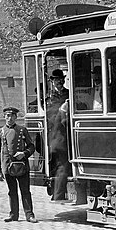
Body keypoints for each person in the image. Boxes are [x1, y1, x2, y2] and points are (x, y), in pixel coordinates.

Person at [0, 106, 37, 223]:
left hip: (22, 166)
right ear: (4, 117)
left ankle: (30, 215)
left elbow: (32, 147)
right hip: (8, 167)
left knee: (25, 191)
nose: (10, 118)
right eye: (8, 116)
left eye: (12, 116)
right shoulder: (0, 132)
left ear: (16, 117)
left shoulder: (22, 130)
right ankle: (13, 215)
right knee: (12, 192)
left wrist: (24, 153)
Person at [46, 68, 70, 201]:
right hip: (55, 135)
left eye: (61, 79)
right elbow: (51, 116)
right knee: (59, 165)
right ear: (52, 81)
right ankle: (58, 194)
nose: (59, 82)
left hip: (66, 134)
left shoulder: (68, 94)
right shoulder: (49, 97)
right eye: (56, 80)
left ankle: (59, 194)